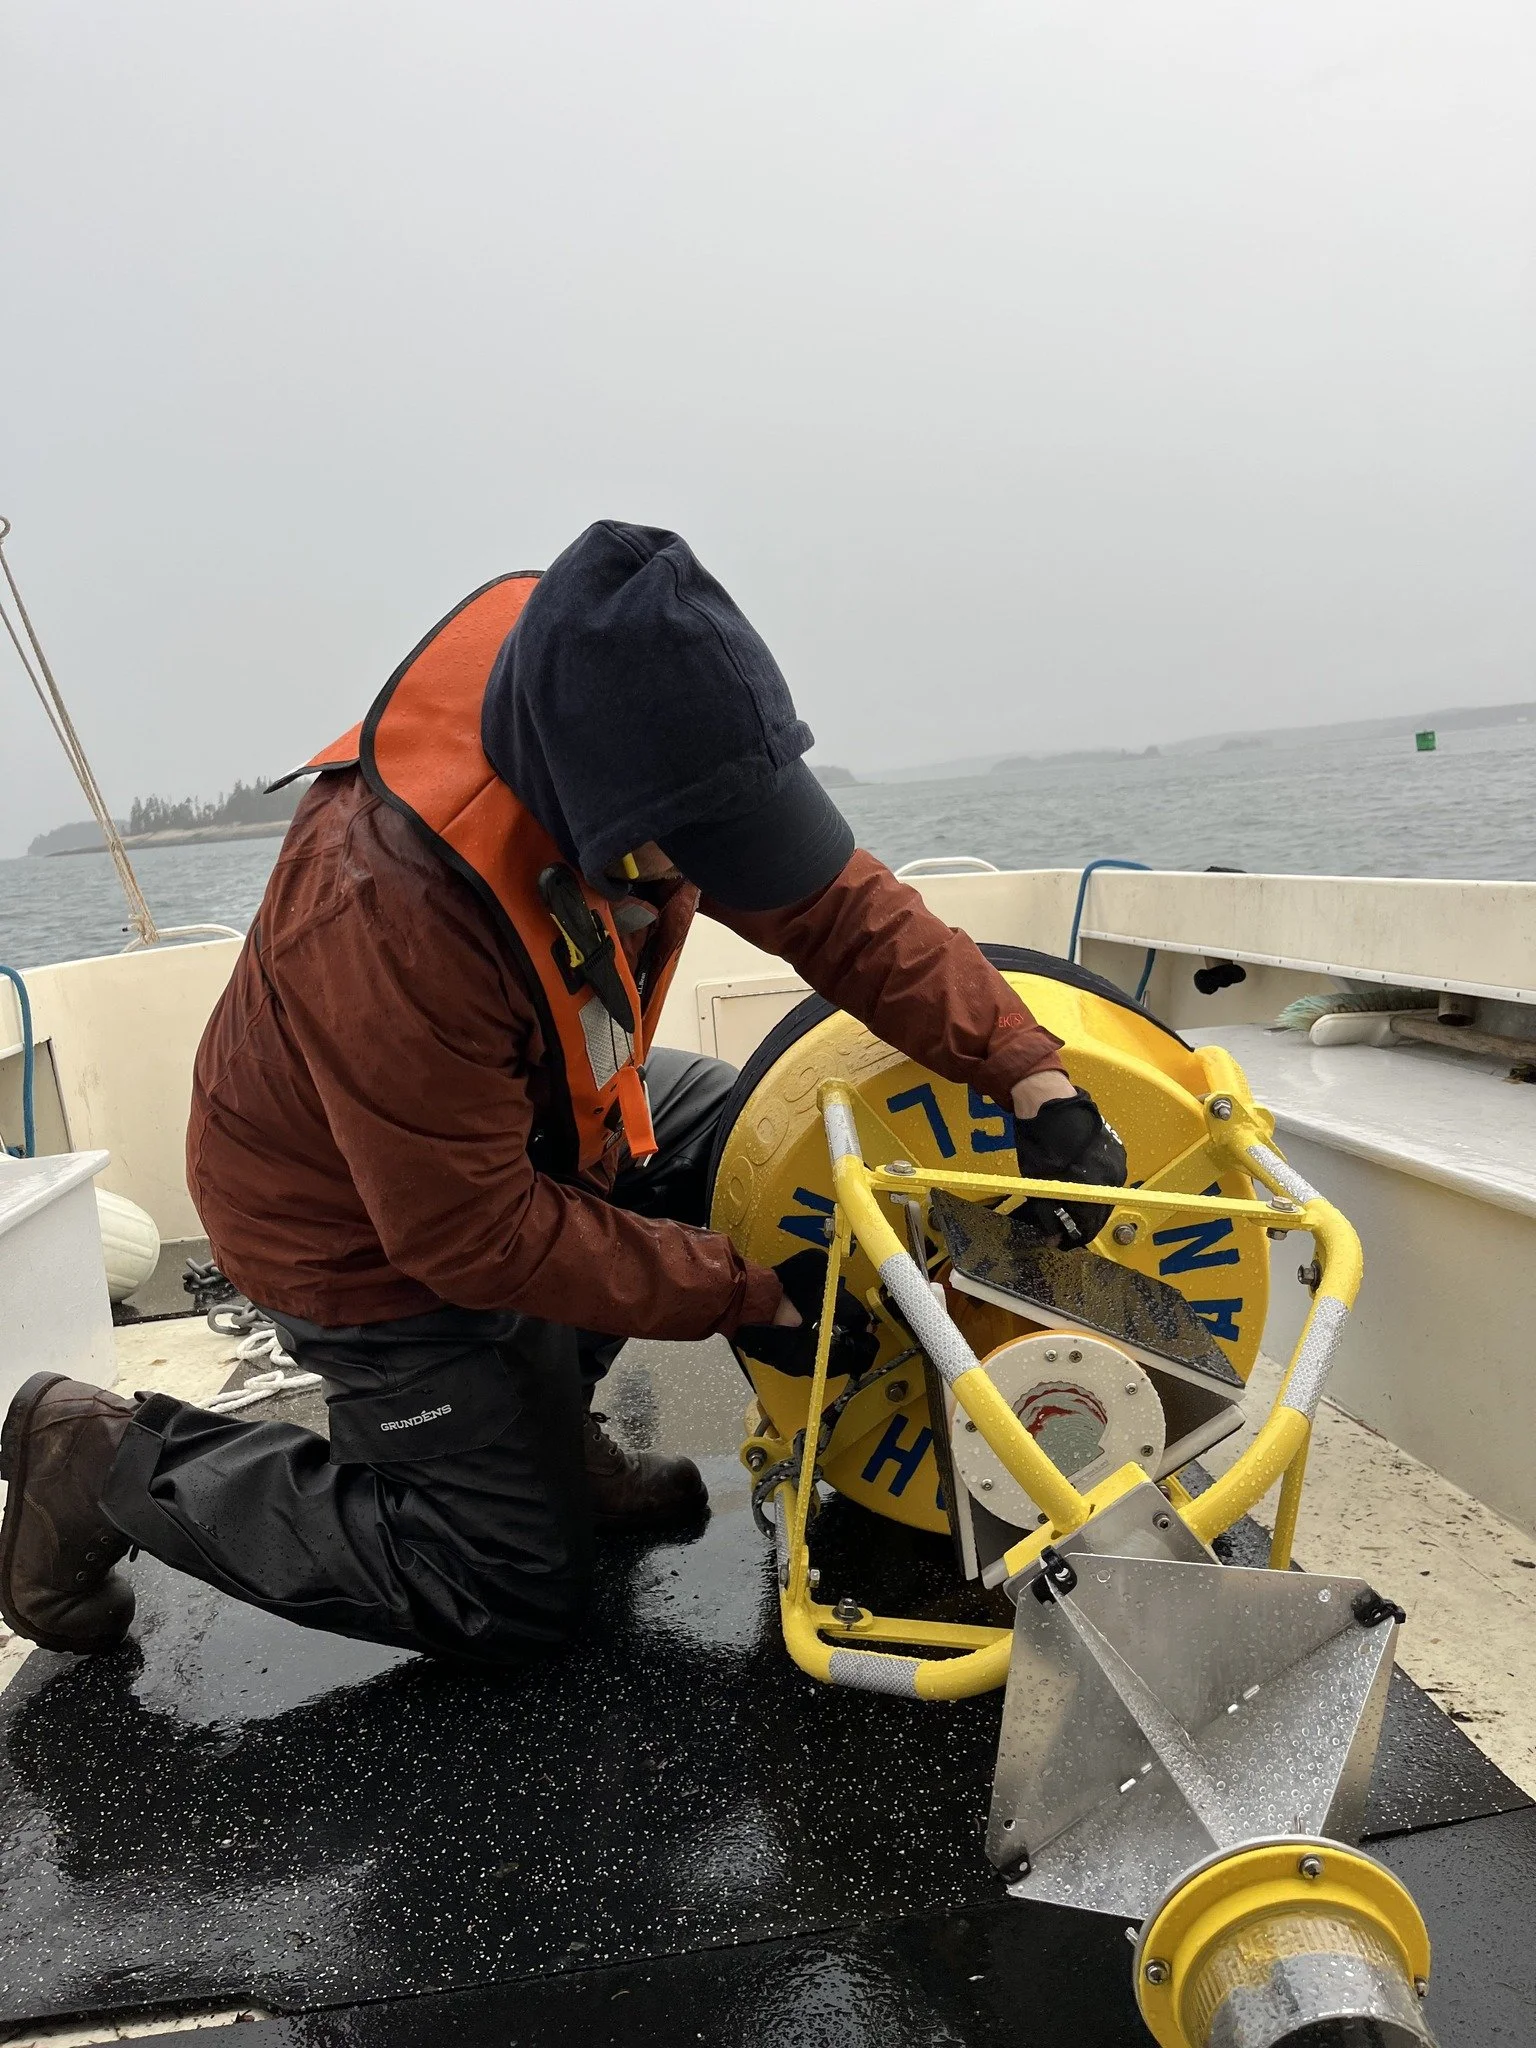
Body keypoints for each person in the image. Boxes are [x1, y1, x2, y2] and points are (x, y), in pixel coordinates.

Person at [0, 522, 1126, 1670]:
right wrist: (744, 1297)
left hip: (547, 1130)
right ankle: (96, 1459)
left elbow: (836, 909)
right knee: (507, 1589)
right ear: (599, 821)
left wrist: (1027, 1066)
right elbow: (472, 1233)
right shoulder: (382, 907)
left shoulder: (623, 692)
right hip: (361, 1233)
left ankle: (542, 1434)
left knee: (742, 1138)